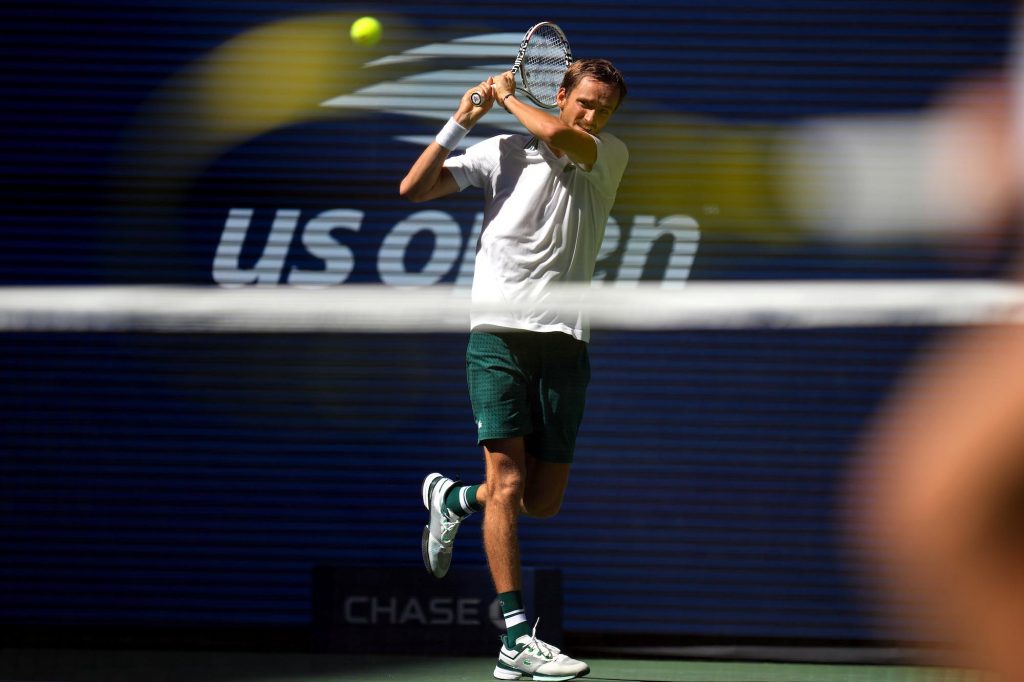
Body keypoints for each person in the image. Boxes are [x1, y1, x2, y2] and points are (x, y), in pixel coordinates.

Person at [400, 58, 628, 681]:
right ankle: (516, 639)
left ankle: (451, 499)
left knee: (541, 501)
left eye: (604, 110)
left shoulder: (605, 153)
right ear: (561, 94)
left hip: (565, 345)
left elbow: (557, 137)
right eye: (584, 103)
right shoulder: (499, 151)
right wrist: (458, 121)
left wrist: (505, 97)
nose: (593, 116)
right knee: (505, 485)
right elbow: (413, 190)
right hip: (498, 336)